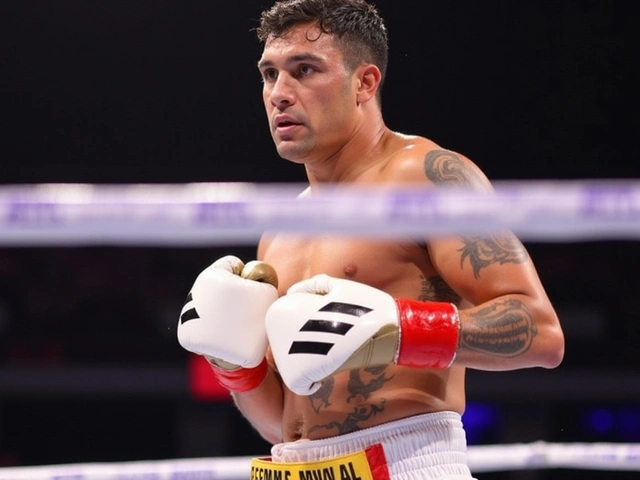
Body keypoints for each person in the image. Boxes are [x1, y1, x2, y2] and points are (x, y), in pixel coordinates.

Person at [177, 0, 565, 478]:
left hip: (406, 463)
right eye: (270, 74)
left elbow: (542, 333)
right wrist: (234, 366)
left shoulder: (424, 176)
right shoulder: (280, 230)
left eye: (304, 70)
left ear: (364, 83)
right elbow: (283, 425)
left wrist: (397, 329)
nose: (279, 93)